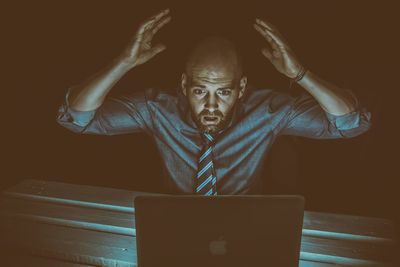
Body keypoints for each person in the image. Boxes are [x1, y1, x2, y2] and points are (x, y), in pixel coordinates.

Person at [57, 9, 371, 195]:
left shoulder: (268, 111)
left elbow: (350, 124)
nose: (210, 105)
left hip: (251, 226)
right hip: (171, 224)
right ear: (183, 85)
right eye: (199, 91)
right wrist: (123, 63)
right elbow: (77, 119)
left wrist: (300, 74)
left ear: (241, 88)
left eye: (223, 92)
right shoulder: (156, 109)